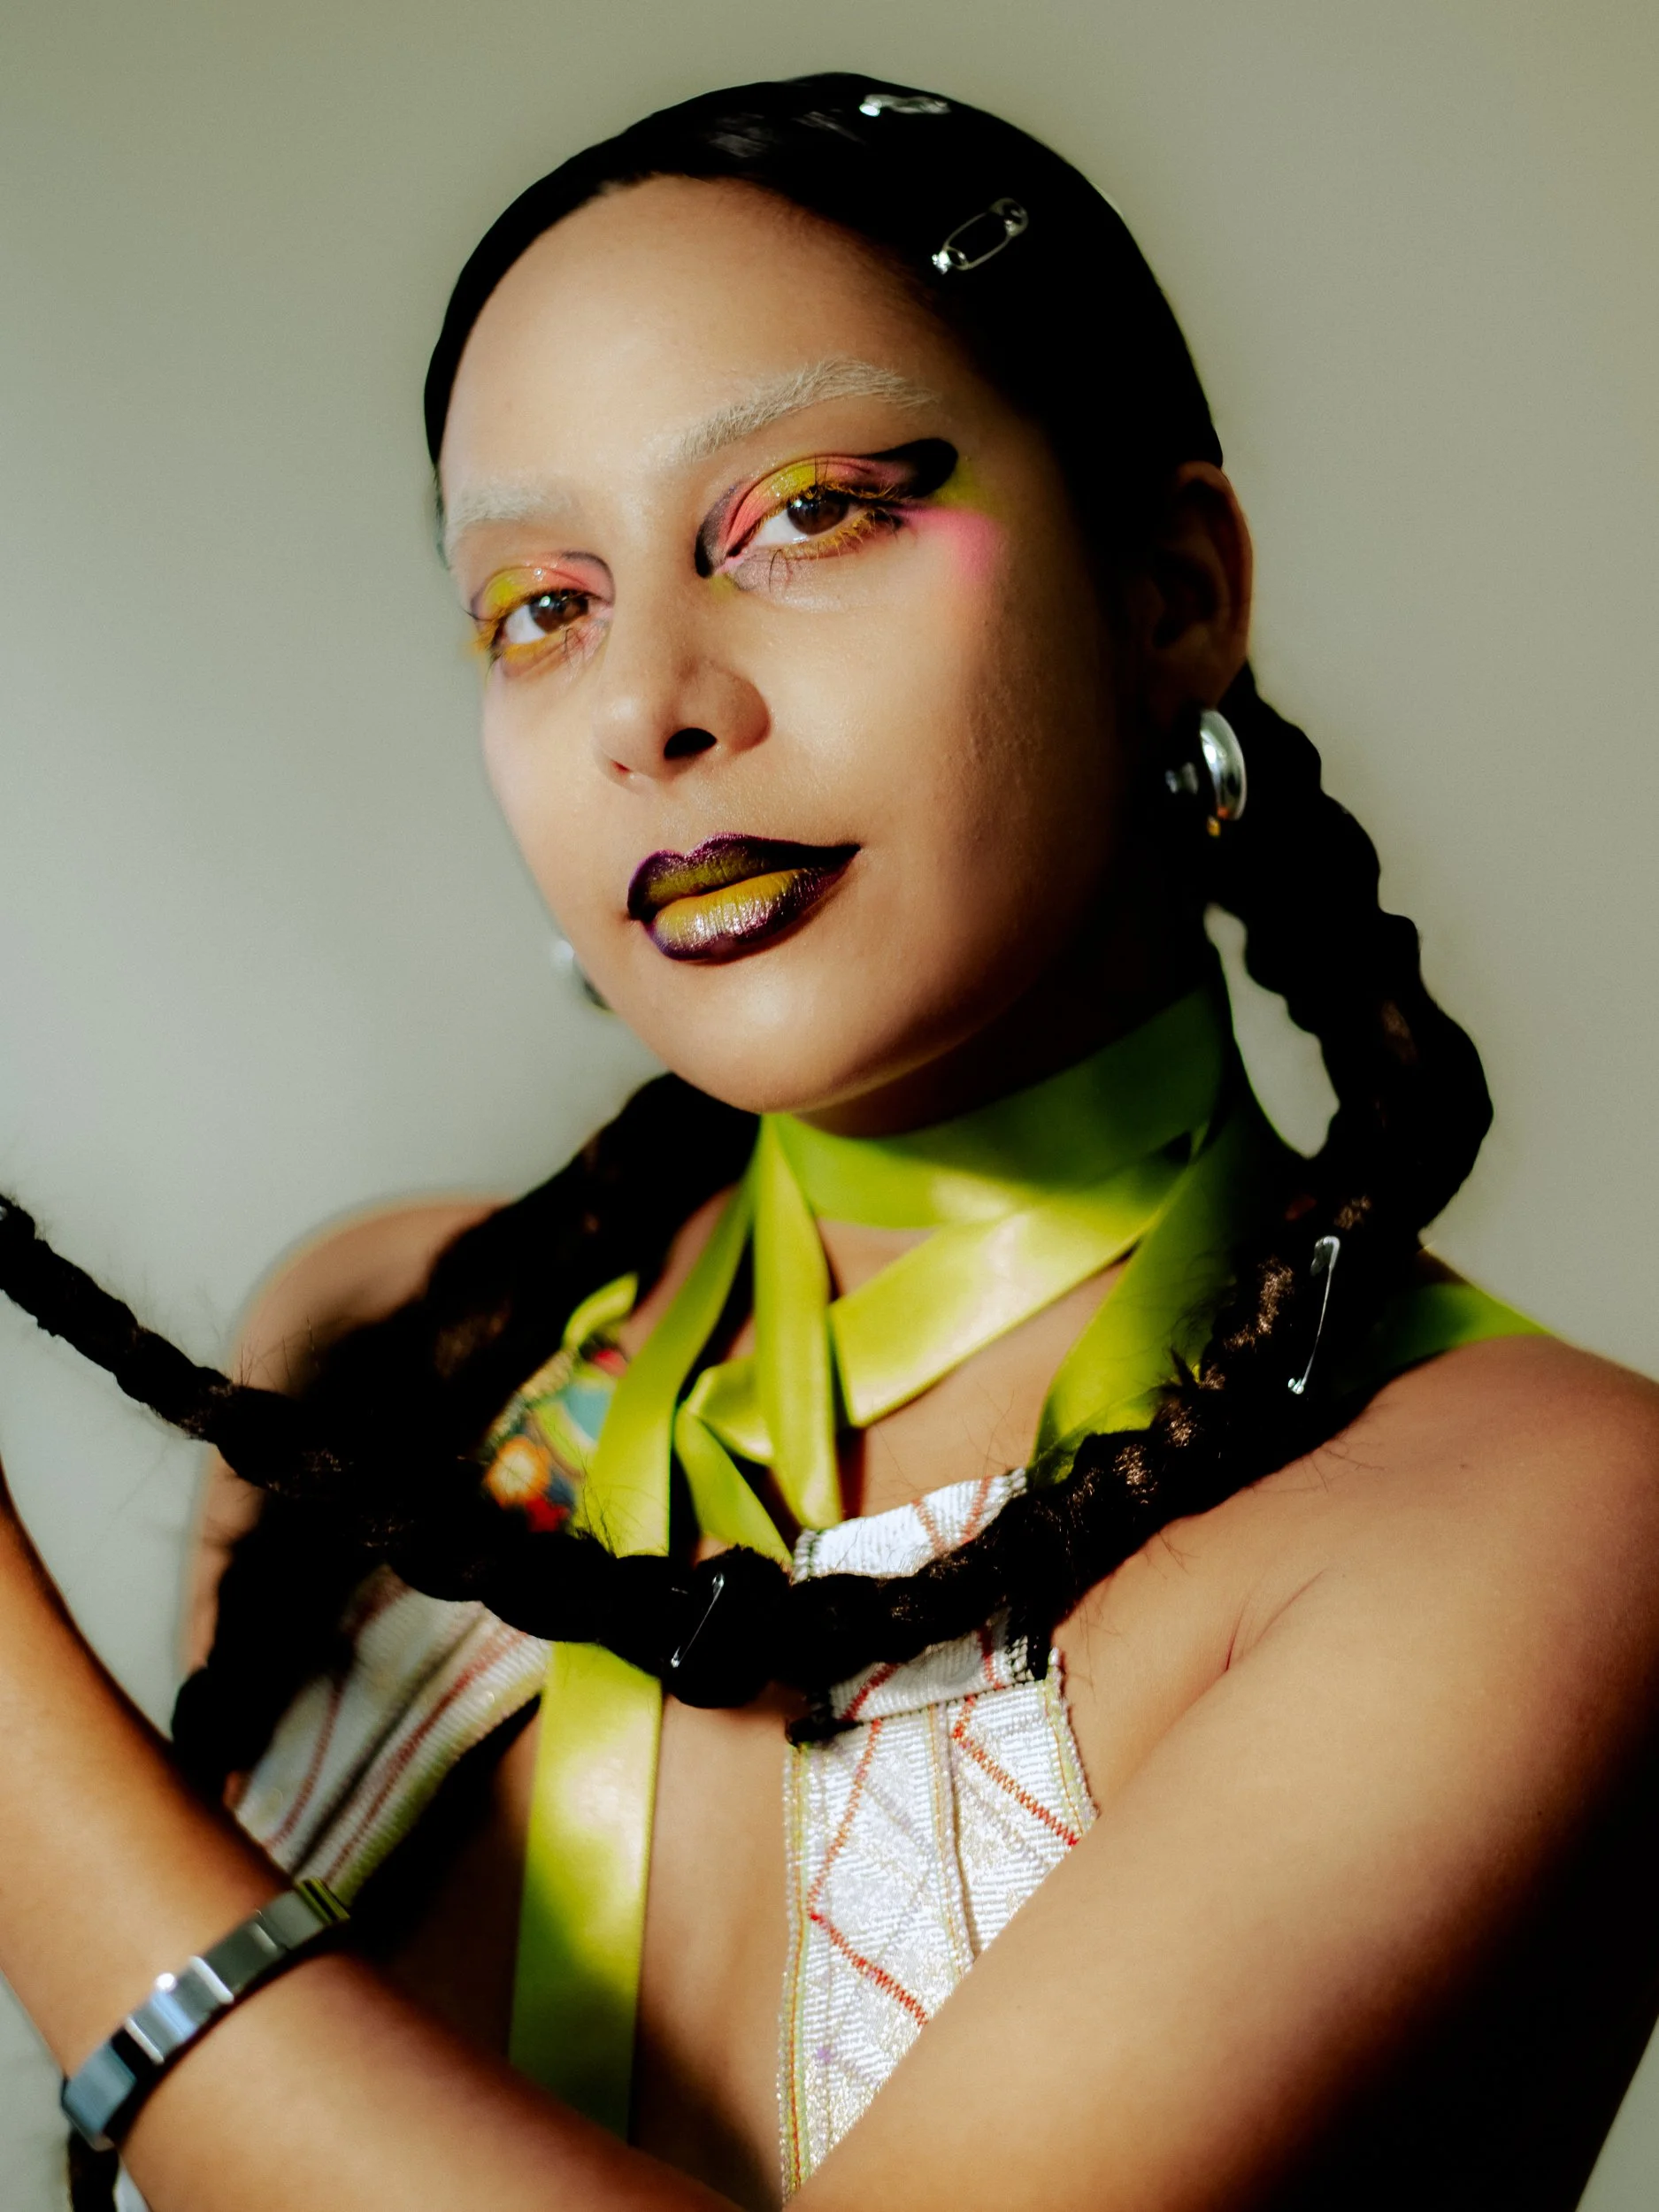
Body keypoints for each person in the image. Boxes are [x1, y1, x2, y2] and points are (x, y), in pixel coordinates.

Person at [1, 70, 1656, 2212]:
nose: (648, 705)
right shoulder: (385, 1356)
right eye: (539, 604)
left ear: (1170, 588)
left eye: (809, 512)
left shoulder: (1532, 1520)